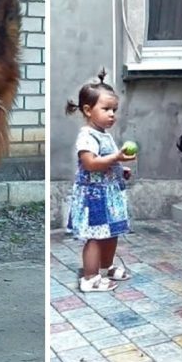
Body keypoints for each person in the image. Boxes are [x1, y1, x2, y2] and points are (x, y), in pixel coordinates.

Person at [65, 69, 135, 292]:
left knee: (111, 233)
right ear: (88, 110)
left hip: (109, 194)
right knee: (95, 237)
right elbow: (90, 163)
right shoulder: (87, 135)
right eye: (106, 109)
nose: (112, 114)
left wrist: (119, 168)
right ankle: (89, 278)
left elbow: (104, 164)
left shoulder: (104, 135)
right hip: (94, 197)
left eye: (114, 110)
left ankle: (106, 267)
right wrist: (116, 157)